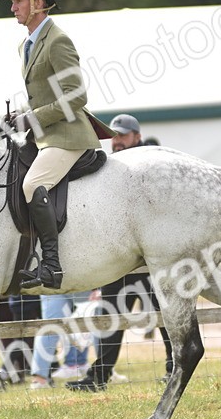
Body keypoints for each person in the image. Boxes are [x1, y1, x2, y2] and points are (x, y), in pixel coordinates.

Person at [2, 0, 112, 290]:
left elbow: (76, 96)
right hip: (45, 134)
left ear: (37, 2)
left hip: (68, 136)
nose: (13, 8)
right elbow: (42, 97)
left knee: (32, 184)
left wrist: (32, 119)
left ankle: (51, 264)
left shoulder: (57, 41)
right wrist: (19, 115)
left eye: (17, 1)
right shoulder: (28, 44)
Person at [67, 115, 172, 392]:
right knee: (111, 315)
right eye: (115, 135)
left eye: (123, 135)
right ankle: (99, 376)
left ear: (137, 137)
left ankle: (174, 367)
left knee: (165, 313)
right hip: (119, 258)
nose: (117, 140)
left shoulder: (152, 167)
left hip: (151, 258)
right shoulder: (106, 166)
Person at [29, 291, 90, 389]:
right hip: (53, 284)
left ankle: (106, 371)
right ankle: (39, 379)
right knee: (49, 328)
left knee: (98, 322)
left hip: (57, 283)